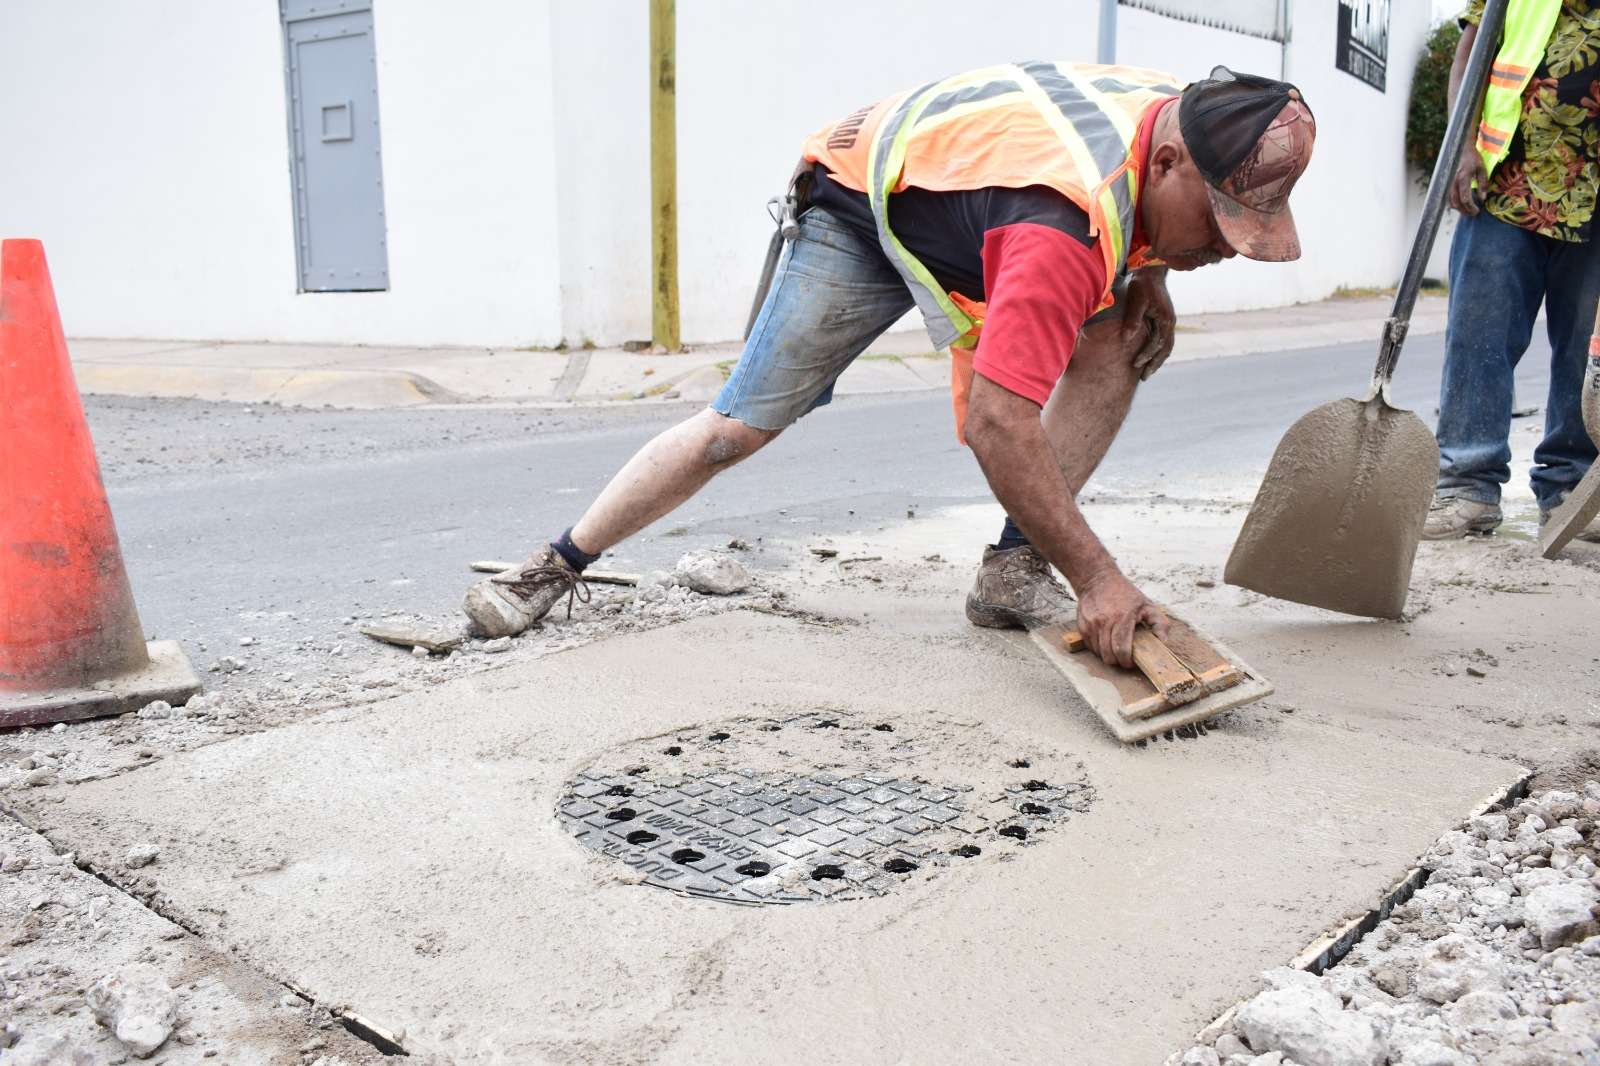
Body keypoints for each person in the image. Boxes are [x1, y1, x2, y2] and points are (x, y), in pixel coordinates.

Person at [462, 62, 1316, 667]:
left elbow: (1141, 200)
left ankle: (1012, 572)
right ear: (1166, 165)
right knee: (737, 429)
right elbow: (998, 424)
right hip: (862, 201)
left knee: (1122, 332)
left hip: (978, 203)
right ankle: (554, 565)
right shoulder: (1064, 227)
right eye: (1217, 226)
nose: (1228, 250)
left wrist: (1155, 269)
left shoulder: (1196, 116)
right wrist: (1099, 581)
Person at [1425, 0, 1600, 540]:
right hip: (1505, 187)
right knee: (1480, 339)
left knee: (1585, 353)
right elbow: (1469, 61)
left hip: (1595, 198)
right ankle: (1466, 485)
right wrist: (1460, 150)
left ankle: (1571, 489)